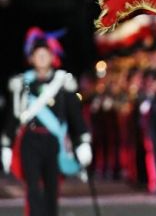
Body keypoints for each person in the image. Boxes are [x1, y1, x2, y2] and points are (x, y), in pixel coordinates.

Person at [1, 27, 92, 216]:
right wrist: (7, 145)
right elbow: (13, 117)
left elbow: (75, 116)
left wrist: (82, 142)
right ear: (31, 58)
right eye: (37, 54)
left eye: (45, 54)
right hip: (30, 141)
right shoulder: (22, 84)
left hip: (53, 142)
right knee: (32, 188)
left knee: (52, 189)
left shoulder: (63, 83)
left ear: (52, 57)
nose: (42, 58)